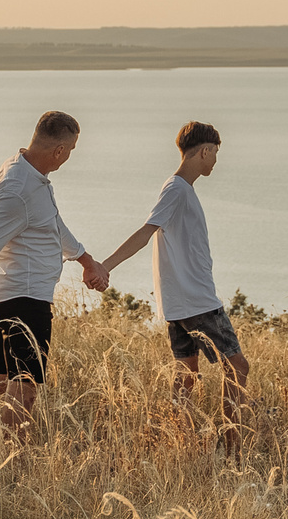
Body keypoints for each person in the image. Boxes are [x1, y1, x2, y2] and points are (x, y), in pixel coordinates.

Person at [0, 111, 110, 435]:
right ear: (59, 150)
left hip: (13, 295)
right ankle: (14, 464)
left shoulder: (30, 176)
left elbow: (52, 224)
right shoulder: (17, 189)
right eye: (71, 149)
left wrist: (86, 260)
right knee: (25, 387)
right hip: (23, 300)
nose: (70, 156)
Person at [98, 120, 249, 451]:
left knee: (188, 375)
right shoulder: (177, 189)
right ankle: (232, 453)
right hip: (197, 301)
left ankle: (170, 442)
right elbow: (146, 231)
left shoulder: (180, 189)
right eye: (215, 154)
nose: (215, 161)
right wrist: (104, 266)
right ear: (205, 151)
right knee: (237, 367)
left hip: (178, 302)